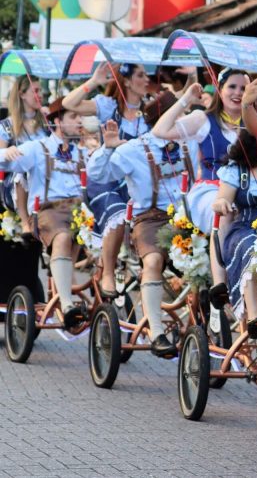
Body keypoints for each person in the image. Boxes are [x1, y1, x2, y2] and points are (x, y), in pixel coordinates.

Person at [87, 91, 199, 357]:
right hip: (150, 219)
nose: (183, 123)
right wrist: (108, 147)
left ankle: (209, 319)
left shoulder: (191, 142)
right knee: (152, 263)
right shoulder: (134, 149)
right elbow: (97, 174)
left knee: (210, 262)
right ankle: (157, 332)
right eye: (179, 117)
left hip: (187, 216)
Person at [0, 98, 91, 328]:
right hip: (48, 211)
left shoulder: (83, 152)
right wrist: (6, 152)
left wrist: (105, 149)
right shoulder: (38, 148)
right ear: (57, 122)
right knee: (62, 237)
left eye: (81, 116)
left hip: (79, 212)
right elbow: (6, 164)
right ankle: (68, 305)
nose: (80, 120)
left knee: (101, 238)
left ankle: (104, 299)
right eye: (74, 116)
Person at [61, 62, 148, 297]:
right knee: (118, 214)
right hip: (104, 178)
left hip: (133, 182)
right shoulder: (108, 106)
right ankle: (108, 271)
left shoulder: (149, 112)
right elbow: (68, 104)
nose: (147, 79)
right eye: (141, 75)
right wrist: (94, 81)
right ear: (127, 81)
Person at [151, 67, 249, 235]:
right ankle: (219, 261)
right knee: (224, 211)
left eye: (244, 88)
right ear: (220, 89)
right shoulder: (203, 120)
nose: (238, 93)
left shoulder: (254, 124)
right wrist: (186, 98)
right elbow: (160, 131)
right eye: (232, 87)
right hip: (211, 190)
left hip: (246, 189)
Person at [211, 130, 257, 332]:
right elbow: (223, 198)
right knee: (253, 249)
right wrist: (221, 203)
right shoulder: (239, 169)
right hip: (246, 227)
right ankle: (255, 317)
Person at [0, 75, 49, 235]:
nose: (40, 95)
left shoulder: (45, 123)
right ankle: (25, 220)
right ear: (22, 94)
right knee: (22, 172)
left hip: (44, 177)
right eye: (35, 91)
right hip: (14, 183)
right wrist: (6, 152)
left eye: (40, 90)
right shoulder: (7, 125)